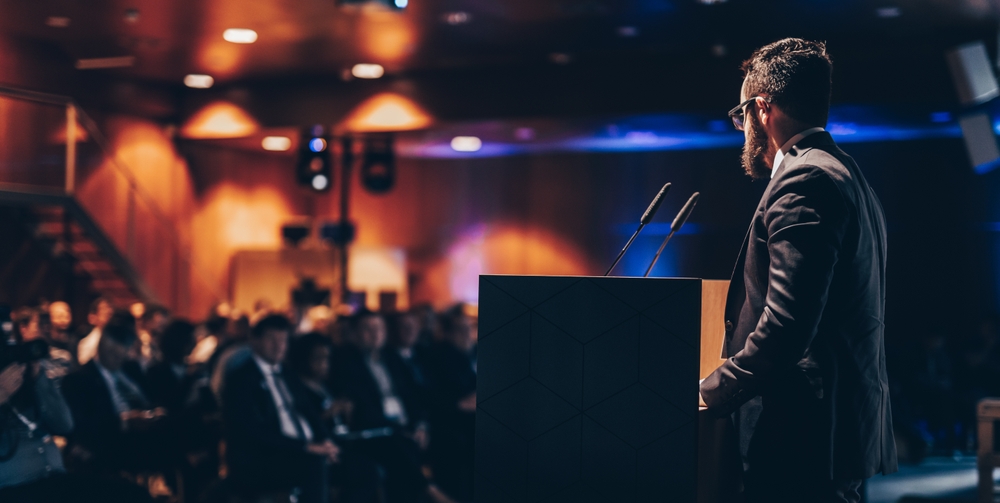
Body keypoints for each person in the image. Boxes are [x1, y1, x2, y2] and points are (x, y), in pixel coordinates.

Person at [698, 39, 896, 503]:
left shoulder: (804, 182)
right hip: (831, 430)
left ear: (761, 109)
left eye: (740, 115)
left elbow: (788, 324)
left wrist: (713, 389)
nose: (741, 128)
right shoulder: (849, 175)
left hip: (799, 433)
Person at [221, 314, 338, 503]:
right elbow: (253, 431)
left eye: (283, 340)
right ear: (254, 340)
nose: (278, 346)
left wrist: (325, 440)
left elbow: (309, 412)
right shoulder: (241, 380)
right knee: (315, 465)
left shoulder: (287, 374)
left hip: (304, 449)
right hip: (265, 457)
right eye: (271, 339)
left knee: (362, 468)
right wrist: (306, 447)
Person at [62, 311, 176, 477]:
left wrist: (154, 413)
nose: (117, 356)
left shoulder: (131, 369)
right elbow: (83, 427)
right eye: (112, 352)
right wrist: (125, 422)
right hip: (109, 445)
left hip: (143, 437)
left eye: (122, 350)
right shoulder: (79, 379)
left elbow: (150, 398)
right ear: (100, 346)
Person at [424, 305, 477, 502]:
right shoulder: (437, 356)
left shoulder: (475, 352)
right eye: (460, 329)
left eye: (470, 328)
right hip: (450, 427)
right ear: (447, 333)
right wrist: (459, 404)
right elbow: (433, 399)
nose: (467, 334)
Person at [74, 297, 114, 366]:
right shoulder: (86, 343)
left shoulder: (117, 339)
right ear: (92, 317)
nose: (108, 311)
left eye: (110, 308)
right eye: (104, 308)